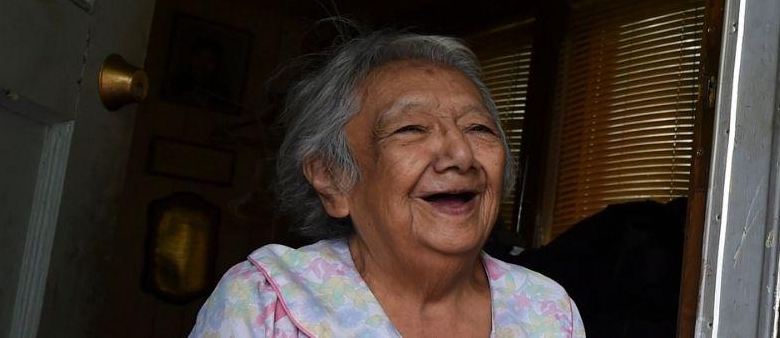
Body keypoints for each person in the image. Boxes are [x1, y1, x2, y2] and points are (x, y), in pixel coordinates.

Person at [191, 29, 585, 336]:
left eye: (479, 128)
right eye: (411, 128)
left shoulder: (548, 311)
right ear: (332, 178)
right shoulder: (264, 300)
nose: (462, 155)